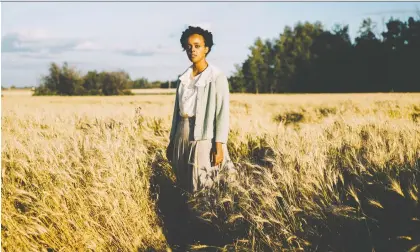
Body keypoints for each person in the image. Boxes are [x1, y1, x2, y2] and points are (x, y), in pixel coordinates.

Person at [166, 26, 234, 195]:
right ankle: (185, 217)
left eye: (197, 46)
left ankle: (201, 219)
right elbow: (177, 112)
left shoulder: (216, 77)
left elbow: (221, 113)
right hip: (182, 132)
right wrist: (172, 140)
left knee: (201, 183)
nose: (192, 50)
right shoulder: (183, 78)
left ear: (206, 49)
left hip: (203, 136)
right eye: (189, 47)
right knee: (182, 182)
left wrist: (219, 145)